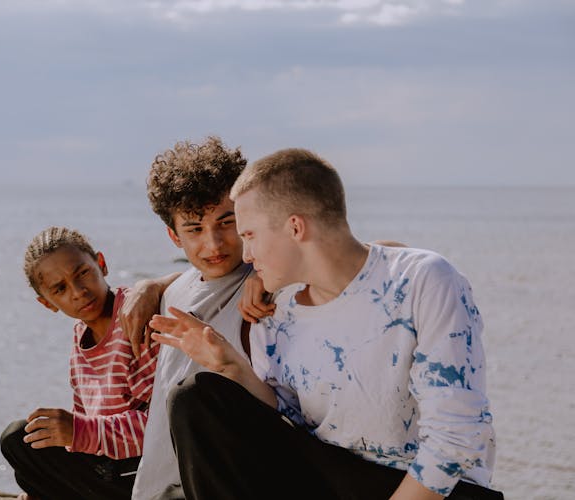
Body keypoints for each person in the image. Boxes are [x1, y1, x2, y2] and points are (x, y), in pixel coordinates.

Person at [150, 148, 503, 499]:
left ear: (295, 227)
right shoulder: (276, 313)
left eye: (250, 235)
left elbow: (454, 438)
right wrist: (232, 366)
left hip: (428, 489)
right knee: (196, 397)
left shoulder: (422, 280)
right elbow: (287, 421)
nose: (246, 255)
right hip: (334, 478)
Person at [129, 136, 255, 500]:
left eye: (226, 222)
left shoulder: (268, 284)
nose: (213, 244)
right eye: (195, 229)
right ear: (173, 235)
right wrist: (150, 284)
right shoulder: (171, 292)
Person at [0, 226, 162, 500]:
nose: (78, 292)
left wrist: (79, 431)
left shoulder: (136, 315)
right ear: (47, 303)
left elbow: (165, 424)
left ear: (101, 264)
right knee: (28, 445)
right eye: (60, 289)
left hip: (147, 468)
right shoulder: (80, 335)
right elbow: (85, 422)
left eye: (82, 274)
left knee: (15, 437)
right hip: (109, 464)